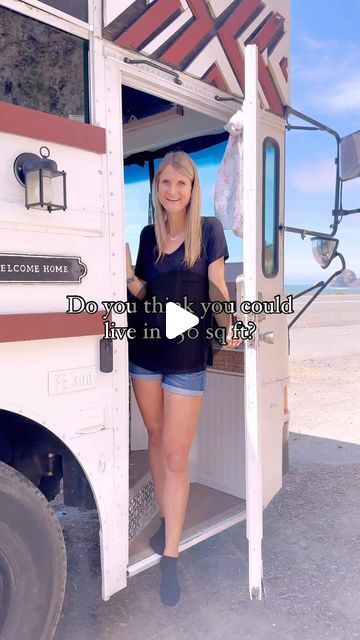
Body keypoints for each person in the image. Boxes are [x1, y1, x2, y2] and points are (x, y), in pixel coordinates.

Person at [126, 151, 241, 607]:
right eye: (165, 183)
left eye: (181, 183)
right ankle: (163, 522)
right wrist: (129, 276)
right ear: (157, 191)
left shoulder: (209, 231)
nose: (172, 190)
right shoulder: (147, 234)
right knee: (155, 438)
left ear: (193, 188)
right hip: (146, 351)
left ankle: (170, 555)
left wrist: (229, 321)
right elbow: (145, 293)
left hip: (187, 353)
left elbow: (216, 284)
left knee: (175, 455)